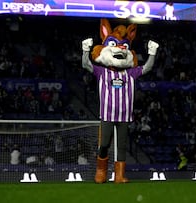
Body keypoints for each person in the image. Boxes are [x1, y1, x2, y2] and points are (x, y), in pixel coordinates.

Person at [81, 19, 159, 183]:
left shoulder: (130, 73)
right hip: (107, 115)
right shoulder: (102, 71)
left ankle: (120, 175)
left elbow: (147, 68)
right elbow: (86, 65)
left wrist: (152, 53)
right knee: (104, 144)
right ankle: (101, 172)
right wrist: (85, 50)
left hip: (124, 116)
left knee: (122, 146)